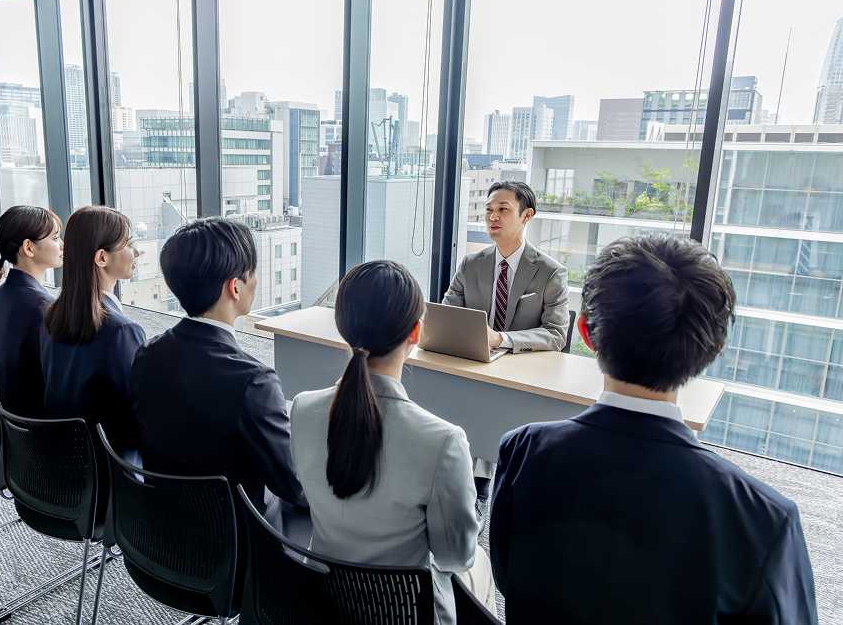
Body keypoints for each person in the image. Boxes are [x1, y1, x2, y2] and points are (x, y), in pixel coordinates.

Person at [489, 234, 818, 624]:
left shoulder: (523, 450)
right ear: (712, 351)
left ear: (585, 333)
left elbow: (508, 580)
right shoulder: (764, 517)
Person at [291, 261, 496, 625]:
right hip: (401, 613)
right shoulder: (443, 441)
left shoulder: (302, 409)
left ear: (343, 328)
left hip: (318, 600)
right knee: (479, 564)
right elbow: (454, 556)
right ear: (415, 333)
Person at [129, 216, 306, 516]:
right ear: (235, 287)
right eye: (252, 273)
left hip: (158, 534)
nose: (256, 280)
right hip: (233, 547)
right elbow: (294, 486)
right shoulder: (253, 381)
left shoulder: (146, 353)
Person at [443, 179, 570, 523]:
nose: (492, 218)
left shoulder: (550, 272)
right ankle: (457, 482)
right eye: (488, 210)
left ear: (526, 215)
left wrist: (502, 340)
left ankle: (480, 486)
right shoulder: (471, 264)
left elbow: (556, 334)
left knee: (484, 409)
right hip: (472, 364)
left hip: (519, 369)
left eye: (503, 210)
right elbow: (447, 313)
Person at [40, 205, 145, 454]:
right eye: (129, 244)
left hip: (61, 461)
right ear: (101, 258)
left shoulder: (51, 315)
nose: (137, 252)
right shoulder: (122, 331)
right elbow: (135, 414)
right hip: (110, 472)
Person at [0, 206, 62, 418]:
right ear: (29, 248)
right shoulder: (44, 306)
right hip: (40, 429)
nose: (62, 245)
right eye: (56, 238)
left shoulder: (2, 294)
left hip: (11, 421)